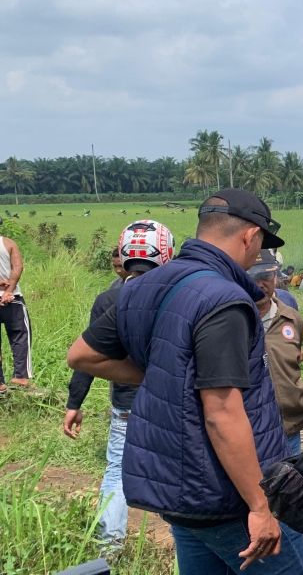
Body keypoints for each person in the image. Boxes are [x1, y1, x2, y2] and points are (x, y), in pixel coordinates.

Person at [67, 188, 303, 574]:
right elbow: (221, 413)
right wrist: (259, 507)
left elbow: (82, 354)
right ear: (250, 236)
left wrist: (169, 372)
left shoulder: (144, 287)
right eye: (260, 243)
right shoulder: (224, 300)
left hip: (178, 495)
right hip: (225, 496)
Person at [64, 219, 175, 546]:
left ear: (125, 254)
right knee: (172, 472)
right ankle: (182, 548)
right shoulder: (180, 294)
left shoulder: (109, 299)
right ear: (167, 251)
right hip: (170, 403)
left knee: (117, 471)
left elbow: (87, 356)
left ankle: (110, 547)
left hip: (127, 405)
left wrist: (74, 403)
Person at [249, 250, 303, 456]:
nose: (260, 284)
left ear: (275, 277)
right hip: (251, 433)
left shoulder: (292, 318)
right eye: (253, 277)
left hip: (290, 430)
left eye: (265, 276)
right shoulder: (234, 319)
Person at [0, 233, 30, 391]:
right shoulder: (8, 243)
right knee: (20, 335)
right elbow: (18, 267)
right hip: (13, 299)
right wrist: (8, 291)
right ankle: (20, 377)